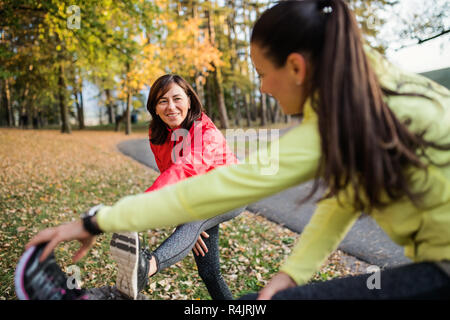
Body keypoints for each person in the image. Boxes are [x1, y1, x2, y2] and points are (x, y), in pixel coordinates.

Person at [25, 0, 450, 300]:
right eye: (161, 101)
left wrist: (96, 221)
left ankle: (134, 277)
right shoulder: (371, 91)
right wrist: (291, 273)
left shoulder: (336, 123)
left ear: (298, 67)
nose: (262, 86)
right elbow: (341, 201)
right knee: (216, 271)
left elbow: (205, 186)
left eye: (263, 74)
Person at [109, 74, 242, 300]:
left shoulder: (205, 133)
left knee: (195, 221)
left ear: (190, 100)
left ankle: (144, 269)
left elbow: (186, 169)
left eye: (177, 99)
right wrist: (186, 222)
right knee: (209, 271)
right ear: (155, 108)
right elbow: (170, 173)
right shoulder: (158, 132)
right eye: (162, 101)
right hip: (201, 197)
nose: (171, 107)